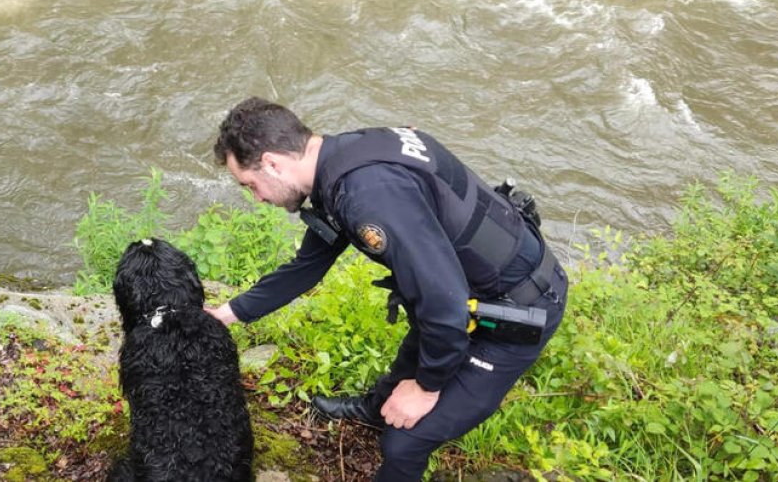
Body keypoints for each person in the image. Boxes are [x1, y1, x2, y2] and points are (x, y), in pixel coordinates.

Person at [205, 97, 568, 482]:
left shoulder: (367, 196)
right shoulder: (344, 157)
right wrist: (227, 314)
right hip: (472, 290)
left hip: (515, 314)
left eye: (251, 185)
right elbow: (307, 267)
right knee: (412, 355)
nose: (257, 198)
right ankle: (377, 408)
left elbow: (446, 307)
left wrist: (426, 389)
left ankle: (400, 428)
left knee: (404, 442)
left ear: (273, 163)